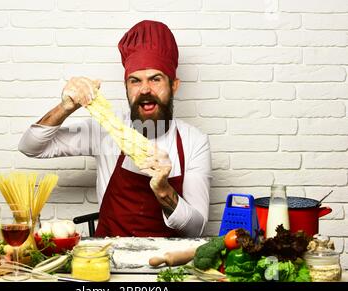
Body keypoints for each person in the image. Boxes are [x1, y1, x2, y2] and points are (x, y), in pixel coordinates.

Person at [18, 20, 211, 237]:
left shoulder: (193, 141)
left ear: (174, 85)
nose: (145, 89)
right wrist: (65, 107)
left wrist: (164, 190)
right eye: (135, 81)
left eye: (155, 79)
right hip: (108, 260)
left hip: (166, 264)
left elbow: (197, 228)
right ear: (126, 87)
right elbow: (31, 147)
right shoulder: (105, 130)